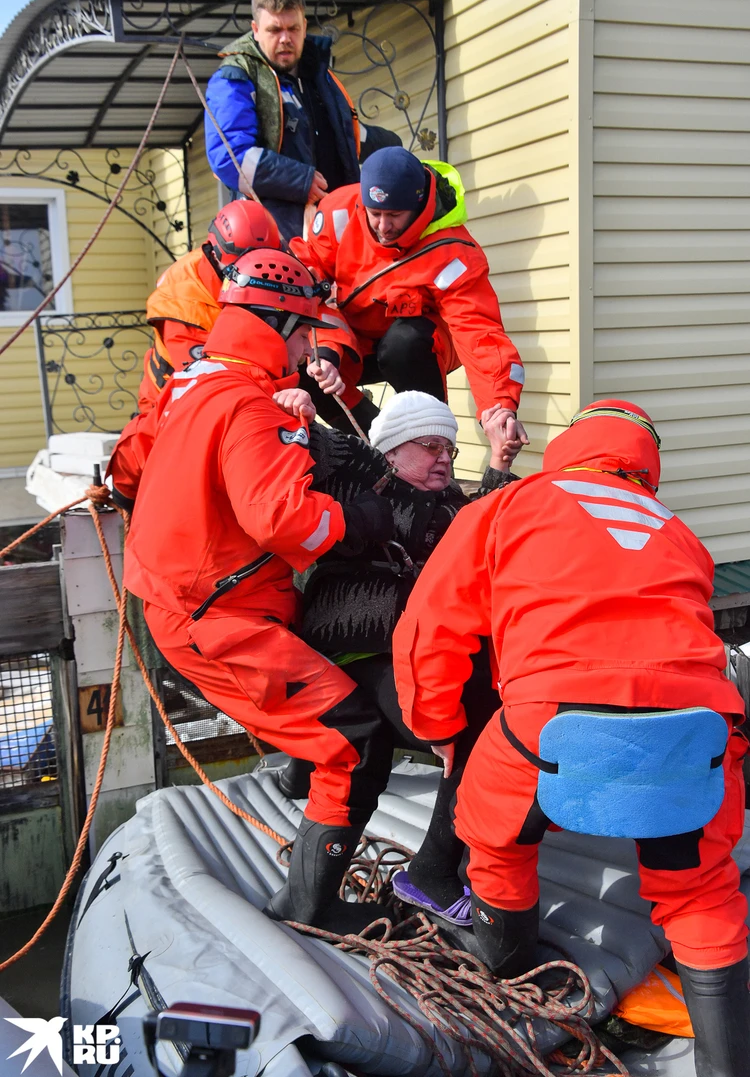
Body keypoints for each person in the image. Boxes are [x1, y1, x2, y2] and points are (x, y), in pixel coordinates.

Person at [392, 400, 749, 1076]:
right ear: (648, 464)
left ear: (570, 445)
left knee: (492, 831)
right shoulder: (678, 530)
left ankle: (516, 974)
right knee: (703, 893)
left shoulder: (507, 507)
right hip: (697, 731)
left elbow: (428, 628)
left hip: (549, 722)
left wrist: (437, 727)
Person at [122, 246, 398, 935]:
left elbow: (136, 454)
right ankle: (309, 906)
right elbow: (285, 521)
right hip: (218, 619)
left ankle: (300, 792)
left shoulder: (194, 381)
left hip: (185, 600)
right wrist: (361, 519)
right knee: (354, 736)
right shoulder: (248, 403)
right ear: (277, 322)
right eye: (305, 331)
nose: (309, 347)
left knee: (324, 710)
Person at [271, 390, 517, 921]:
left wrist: (498, 461)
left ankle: (436, 861)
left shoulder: (453, 504)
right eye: (430, 446)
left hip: (418, 655)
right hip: (357, 651)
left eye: (450, 449)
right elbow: (313, 439)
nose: (444, 458)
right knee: (469, 727)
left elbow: (489, 527)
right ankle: (431, 871)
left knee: (491, 715)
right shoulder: (362, 478)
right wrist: (294, 402)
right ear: (393, 449)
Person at [292, 145, 530, 457]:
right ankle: (378, 452)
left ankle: (431, 457)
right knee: (305, 369)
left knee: (403, 346)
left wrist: (498, 407)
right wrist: (326, 351)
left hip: (422, 341)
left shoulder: (453, 251)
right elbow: (307, 279)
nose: (382, 226)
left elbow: (479, 333)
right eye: (374, 214)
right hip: (352, 335)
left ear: (419, 205)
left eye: (394, 215)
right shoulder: (338, 211)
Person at [204, 0, 401, 241]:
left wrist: (394, 148)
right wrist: (299, 180)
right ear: (255, 30)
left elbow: (347, 136)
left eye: (293, 28)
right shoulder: (235, 78)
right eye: (274, 29)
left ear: (304, 26)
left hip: (340, 234)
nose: (285, 38)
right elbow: (229, 157)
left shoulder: (319, 75)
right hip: (277, 241)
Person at [137, 199, 281, 413]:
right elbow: (206, 381)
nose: (252, 276)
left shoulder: (275, 267)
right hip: (169, 408)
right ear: (215, 253)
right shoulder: (182, 300)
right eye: (240, 268)